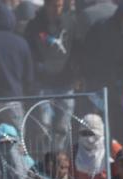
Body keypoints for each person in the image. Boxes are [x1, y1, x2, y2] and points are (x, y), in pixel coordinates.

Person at [80, 0, 123, 147]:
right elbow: (86, 53)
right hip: (98, 82)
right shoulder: (101, 27)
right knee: (94, 120)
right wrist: (91, 76)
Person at [25, 0, 75, 150]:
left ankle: (59, 157)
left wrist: (76, 73)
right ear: (46, 5)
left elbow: (77, 47)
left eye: (60, 5)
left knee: (63, 125)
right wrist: (37, 67)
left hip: (65, 83)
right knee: (43, 124)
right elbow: (28, 52)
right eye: (53, 5)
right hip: (43, 84)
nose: (57, 9)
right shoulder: (34, 25)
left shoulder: (70, 22)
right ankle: (45, 158)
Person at [69, 114, 110, 179]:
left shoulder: (110, 149)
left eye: (91, 133)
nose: (88, 138)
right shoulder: (74, 151)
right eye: (84, 133)